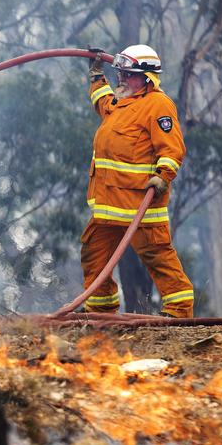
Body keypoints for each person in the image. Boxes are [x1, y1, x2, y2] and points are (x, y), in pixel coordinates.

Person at [82, 44, 193, 317]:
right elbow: (104, 102)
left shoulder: (158, 105)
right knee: (94, 256)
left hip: (139, 205)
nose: (121, 79)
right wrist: (97, 76)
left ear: (146, 78)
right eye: (119, 73)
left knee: (159, 259)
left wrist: (163, 177)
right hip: (108, 205)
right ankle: (101, 317)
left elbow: (172, 149)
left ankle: (179, 314)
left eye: (127, 74)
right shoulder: (122, 101)